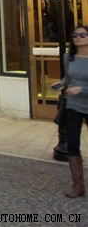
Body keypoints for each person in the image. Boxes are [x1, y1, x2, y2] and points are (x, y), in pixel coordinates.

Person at [52, 25, 88, 198]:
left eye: (82, 35)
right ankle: (77, 185)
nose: (78, 37)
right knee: (72, 144)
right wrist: (61, 84)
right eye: (75, 35)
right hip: (73, 104)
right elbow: (68, 78)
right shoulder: (69, 57)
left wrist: (82, 89)